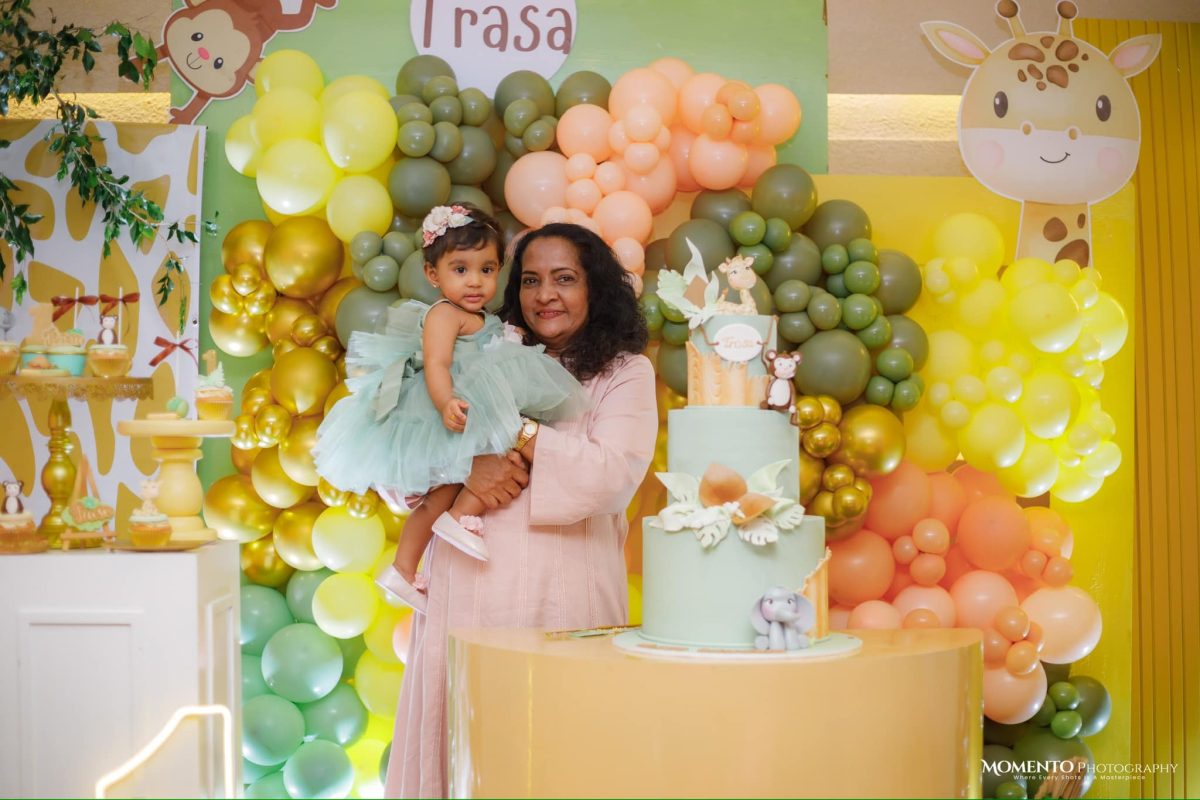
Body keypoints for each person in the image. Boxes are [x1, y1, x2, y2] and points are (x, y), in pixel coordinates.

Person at [384, 223, 658, 798]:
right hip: (465, 596)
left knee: (564, 760)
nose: (545, 295)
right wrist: (468, 467)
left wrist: (519, 430)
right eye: (530, 280)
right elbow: (399, 462)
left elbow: (611, 475)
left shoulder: (624, 372)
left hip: (566, 602)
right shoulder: (480, 351)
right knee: (467, 756)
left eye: (565, 279)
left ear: (595, 286)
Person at [313, 206, 588, 613]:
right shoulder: (444, 314)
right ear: (433, 274)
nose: (475, 281)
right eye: (460, 270)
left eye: (486, 269)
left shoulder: (482, 318)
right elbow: (437, 364)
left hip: (471, 407)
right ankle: (408, 562)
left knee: (488, 467)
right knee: (440, 494)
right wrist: (445, 403)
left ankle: (453, 523)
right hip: (446, 407)